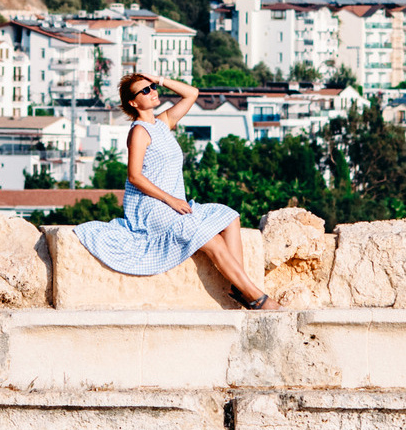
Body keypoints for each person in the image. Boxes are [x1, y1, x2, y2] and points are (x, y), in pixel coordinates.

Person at [79, 71, 273, 308]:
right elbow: (134, 176)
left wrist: (158, 79)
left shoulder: (163, 123)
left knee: (230, 216)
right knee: (208, 238)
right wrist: (170, 200)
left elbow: (192, 93)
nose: (153, 92)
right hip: (152, 208)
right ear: (133, 102)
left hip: (175, 203)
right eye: (145, 90)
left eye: (152, 88)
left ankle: (238, 287)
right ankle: (257, 297)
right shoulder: (139, 131)